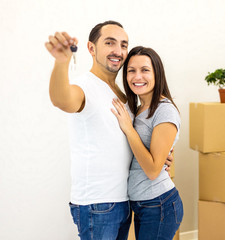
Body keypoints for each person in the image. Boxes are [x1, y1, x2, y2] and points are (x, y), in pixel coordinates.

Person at [45, 21, 173, 240]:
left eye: (123, 45)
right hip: (97, 204)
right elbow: (61, 99)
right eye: (110, 43)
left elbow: (122, 140)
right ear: (91, 48)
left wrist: (159, 155)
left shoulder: (123, 94)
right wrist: (61, 63)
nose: (118, 51)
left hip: (123, 200)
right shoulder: (84, 87)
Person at [111, 46, 184, 240]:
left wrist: (128, 128)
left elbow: (152, 170)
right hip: (142, 203)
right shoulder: (138, 108)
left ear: (157, 73)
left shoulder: (164, 110)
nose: (137, 76)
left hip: (158, 203)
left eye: (145, 70)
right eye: (131, 71)